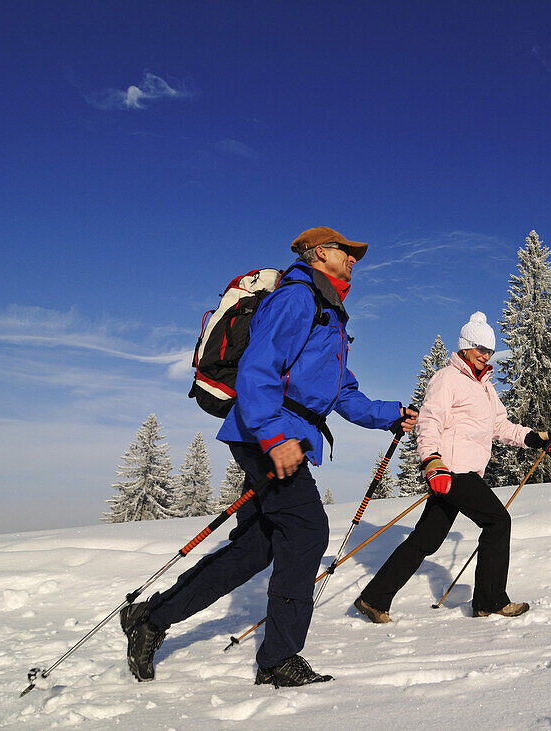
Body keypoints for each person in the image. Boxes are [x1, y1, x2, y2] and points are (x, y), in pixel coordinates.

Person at [120, 226, 417, 687]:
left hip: (279, 433)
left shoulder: (329, 312)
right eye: (347, 252)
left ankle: (151, 618)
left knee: (255, 548)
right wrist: (274, 437)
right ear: (320, 253)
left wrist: (392, 415)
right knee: (307, 530)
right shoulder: (298, 298)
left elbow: (343, 392)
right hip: (270, 434)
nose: (354, 259)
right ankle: (278, 659)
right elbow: (259, 367)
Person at [354, 311, 551, 623]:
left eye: (489, 350)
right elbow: (429, 421)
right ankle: (489, 601)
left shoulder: (486, 389)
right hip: (451, 470)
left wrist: (534, 437)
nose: (484, 355)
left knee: (426, 539)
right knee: (497, 522)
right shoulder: (447, 379)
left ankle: (374, 599)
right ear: (464, 347)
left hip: (461, 473)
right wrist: (432, 461)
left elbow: (501, 426)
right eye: (479, 348)